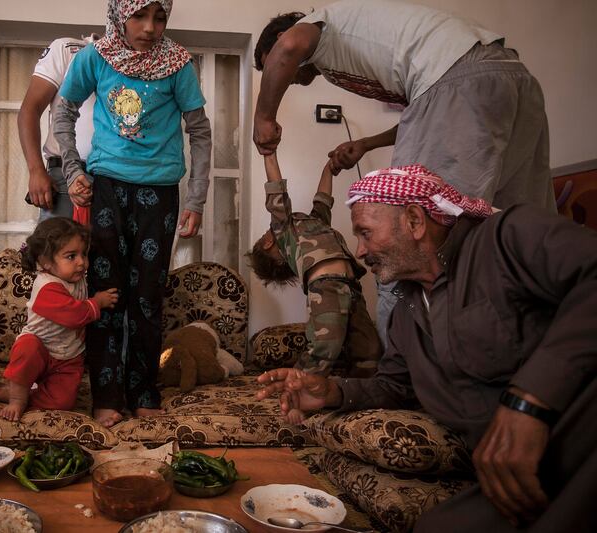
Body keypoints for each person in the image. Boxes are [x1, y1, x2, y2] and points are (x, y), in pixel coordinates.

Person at [256, 165, 597, 532]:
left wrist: (528, 402)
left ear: (415, 221)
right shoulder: (406, 312)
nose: (359, 251)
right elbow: (394, 386)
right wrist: (331, 392)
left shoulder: (506, 237)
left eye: (365, 233)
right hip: (515, 480)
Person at [253, 0, 556, 344]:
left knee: (403, 246)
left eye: (270, 64)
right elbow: (432, 109)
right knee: (520, 232)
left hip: (465, 81)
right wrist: (366, 144)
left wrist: (263, 117)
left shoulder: (314, 28)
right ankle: (540, 353)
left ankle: (405, 368)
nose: (287, 79)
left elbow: (290, 45)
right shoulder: (364, 47)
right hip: (512, 78)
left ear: (282, 36)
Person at [52, 0, 211, 427]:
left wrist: (196, 199)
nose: (150, 28)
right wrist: (72, 170)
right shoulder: (95, 58)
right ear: (120, 15)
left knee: (147, 297)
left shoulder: (178, 64)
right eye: (139, 16)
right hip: (107, 189)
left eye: (160, 17)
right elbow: (62, 111)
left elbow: (200, 132)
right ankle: (106, 395)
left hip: (160, 194)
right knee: (106, 293)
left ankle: (143, 391)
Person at [246, 152, 381, 423]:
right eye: (265, 235)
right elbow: (276, 190)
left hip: (351, 289)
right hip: (326, 287)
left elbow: (323, 199)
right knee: (323, 348)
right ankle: (296, 400)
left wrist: (329, 169)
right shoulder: (284, 230)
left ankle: (360, 403)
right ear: (269, 243)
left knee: (369, 349)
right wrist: (270, 154)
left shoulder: (314, 223)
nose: (267, 232)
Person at [0, 217, 118, 421]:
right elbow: (74, 315)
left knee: (63, 403)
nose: (81, 262)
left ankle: (25, 394)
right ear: (46, 262)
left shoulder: (77, 278)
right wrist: (97, 302)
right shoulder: (47, 286)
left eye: (83, 254)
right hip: (40, 348)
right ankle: (16, 399)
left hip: (68, 357)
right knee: (26, 348)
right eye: (71, 256)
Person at [18, 35, 97, 223]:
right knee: (58, 241)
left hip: (116, 179)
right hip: (65, 175)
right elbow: (30, 110)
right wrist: (36, 170)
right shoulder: (69, 49)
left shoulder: (135, 62)